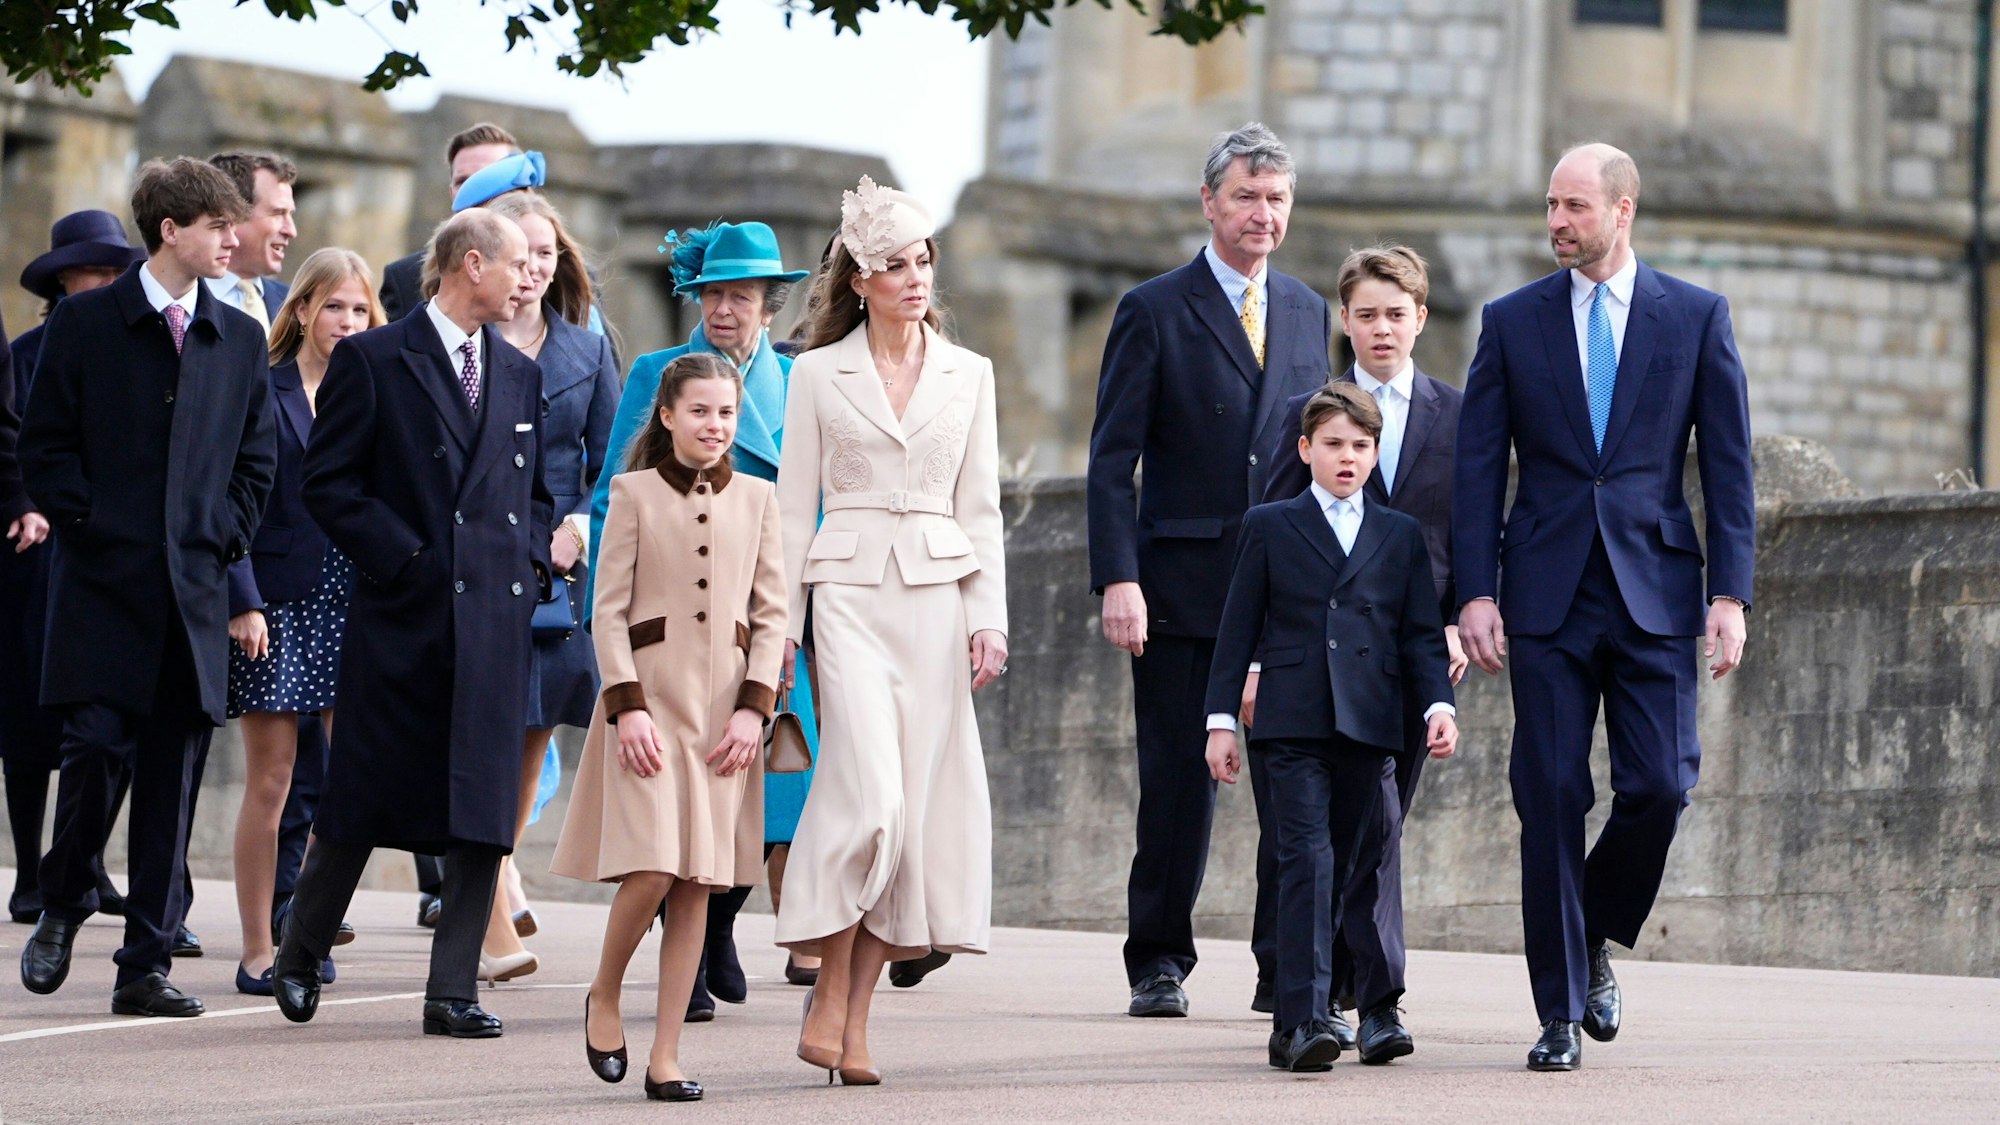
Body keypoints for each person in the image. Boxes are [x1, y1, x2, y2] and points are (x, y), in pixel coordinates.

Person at [1453, 142, 1755, 1071]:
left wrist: (1730, 592)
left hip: (1655, 592)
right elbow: (1476, 468)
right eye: (1550, 204)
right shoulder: (1510, 323)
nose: (1556, 221)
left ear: (1623, 211)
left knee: (1661, 785)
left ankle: (1592, 936)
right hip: (1543, 595)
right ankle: (1556, 1012)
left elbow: (1733, 467)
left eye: (1574, 206)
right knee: (1547, 794)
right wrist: (1474, 589)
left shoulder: (1696, 318)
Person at [270, 208, 549, 1039]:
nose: (528, 277)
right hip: (402, 619)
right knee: (360, 798)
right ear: (471, 265)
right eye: (515, 265)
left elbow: (532, 496)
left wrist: (529, 566)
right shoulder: (373, 359)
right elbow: (330, 485)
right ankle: (298, 950)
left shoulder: (519, 371)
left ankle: (452, 989)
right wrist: (408, 562)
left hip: (494, 627)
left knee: (483, 811)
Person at [16, 157, 275, 1018]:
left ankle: (146, 963)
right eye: (218, 226)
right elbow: (42, 447)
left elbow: (256, 457)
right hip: (100, 588)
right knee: (93, 753)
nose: (233, 239)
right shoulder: (87, 323)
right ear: (172, 229)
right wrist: (91, 525)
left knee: (173, 775)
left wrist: (222, 535)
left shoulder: (237, 336)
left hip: (192, 594)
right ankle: (62, 901)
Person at [1085, 122, 1332, 1018]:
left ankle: (1283, 966)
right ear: (1209, 201)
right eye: (1245, 197)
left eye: (1276, 199)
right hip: (1181, 588)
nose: (1262, 214)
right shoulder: (1153, 307)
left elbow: (1324, 450)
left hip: (1286, 589)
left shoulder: (1308, 309)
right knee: (1179, 785)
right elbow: (1113, 461)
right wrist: (1119, 577)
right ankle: (1158, 957)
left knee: (1291, 779)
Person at [774, 176, 1007, 1086]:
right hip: (847, 597)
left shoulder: (971, 373)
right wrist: (780, 629)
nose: (916, 278)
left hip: (939, 605)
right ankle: (829, 987)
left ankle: (851, 1011)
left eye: (924, 261)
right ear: (860, 277)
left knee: (911, 823)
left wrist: (988, 618)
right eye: (896, 265)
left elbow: (981, 506)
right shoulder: (814, 373)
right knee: (867, 802)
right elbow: (794, 510)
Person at [590, 218, 819, 1015]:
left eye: (742, 297)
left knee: (767, 792)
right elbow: (611, 487)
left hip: (771, 616)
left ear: (770, 305)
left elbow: (810, 502)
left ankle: (717, 925)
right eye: (713, 294)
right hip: (673, 622)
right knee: (676, 802)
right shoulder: (658, 371)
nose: (725, 309)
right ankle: (684, 952)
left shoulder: (799, 383)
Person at [552, 352, 787, 1103]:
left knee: (698, 884)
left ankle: (667, 1054)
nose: (714, 425)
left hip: (723, 718)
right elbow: (606, 610)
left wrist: (754, 709)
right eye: (699, 411)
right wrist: (627, 709)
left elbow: (774, 614)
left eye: (725, 412)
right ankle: (606, 990)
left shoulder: (758, 498)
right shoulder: (629, 494)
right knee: (652, 867)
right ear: (667, 415)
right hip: (648, 708)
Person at [1203, 382, 1458, 1072]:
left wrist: (1439, 705)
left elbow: (1421, 635)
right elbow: (1236, 631)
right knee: (1305, 861)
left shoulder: (1398, 533)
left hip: (1371, 722)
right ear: (1305, 448)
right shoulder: (1269, 524)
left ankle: (1355, 1006)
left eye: (1361, 446)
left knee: (1355, 859)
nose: (1348, 458)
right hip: (1290, 721)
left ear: (1376, 455)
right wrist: (1221, 720)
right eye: (1335, 444)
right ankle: (1303, 1019)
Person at [1257, 245, 1467, 1060]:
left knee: (1379, 830)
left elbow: (1476, 527)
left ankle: (1364, 998)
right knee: (1314, 833)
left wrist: (1462, 616)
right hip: (1312, 671)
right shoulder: (1308, 416)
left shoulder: (1459, 412)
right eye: (1367, 313)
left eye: (1397, 313)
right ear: (1345, 320)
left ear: (1421, 318)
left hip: (1414, 660)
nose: (1383, 328)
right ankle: (1314, 995)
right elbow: (1271, 532)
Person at [224, 249, 383, 995]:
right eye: (333, 307)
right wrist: (242, 596)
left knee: (348, 781)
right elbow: (230, 497)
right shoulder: (263, 386)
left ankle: (307, 935)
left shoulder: (380, 390)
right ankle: (258, 947)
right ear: (302, 311)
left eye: (359, 309)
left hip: (356, 602)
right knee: (272, 782)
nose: (346, 323)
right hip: (277, 603)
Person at [472, 191, 619, 984]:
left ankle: (496, 873)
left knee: (531, 743)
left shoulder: (587, 355)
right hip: (471, 568)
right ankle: (489, 908)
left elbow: (611, 465)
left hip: (556, 580)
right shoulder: (456, 341)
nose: (532, 268)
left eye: (546, 254)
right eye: (521, 252)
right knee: (477, 740)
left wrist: (581, 528)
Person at [4, 211, 145, 926]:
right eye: (96, 268)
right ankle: (31, 871)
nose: (110, 279)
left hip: (111, 554)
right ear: (65, 277)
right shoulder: (26, 354)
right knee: (31, 720)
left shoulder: (133, 349)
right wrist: (33, 504)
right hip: (36, 561)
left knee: (111, 719)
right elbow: (17, 441)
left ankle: (83, 861)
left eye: (118, 267)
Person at [379, 123, 521, 323]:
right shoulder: (404, 279)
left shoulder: (556, 278)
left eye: (488, 179)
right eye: (463, 182)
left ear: (520, 190)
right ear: (451, 192)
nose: (474, 192)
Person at [206, 152, 297, 331]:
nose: (291, 231)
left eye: (290, 214)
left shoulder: (294, 305)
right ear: (231, 213)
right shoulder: (181, 302)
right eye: (278, 213)